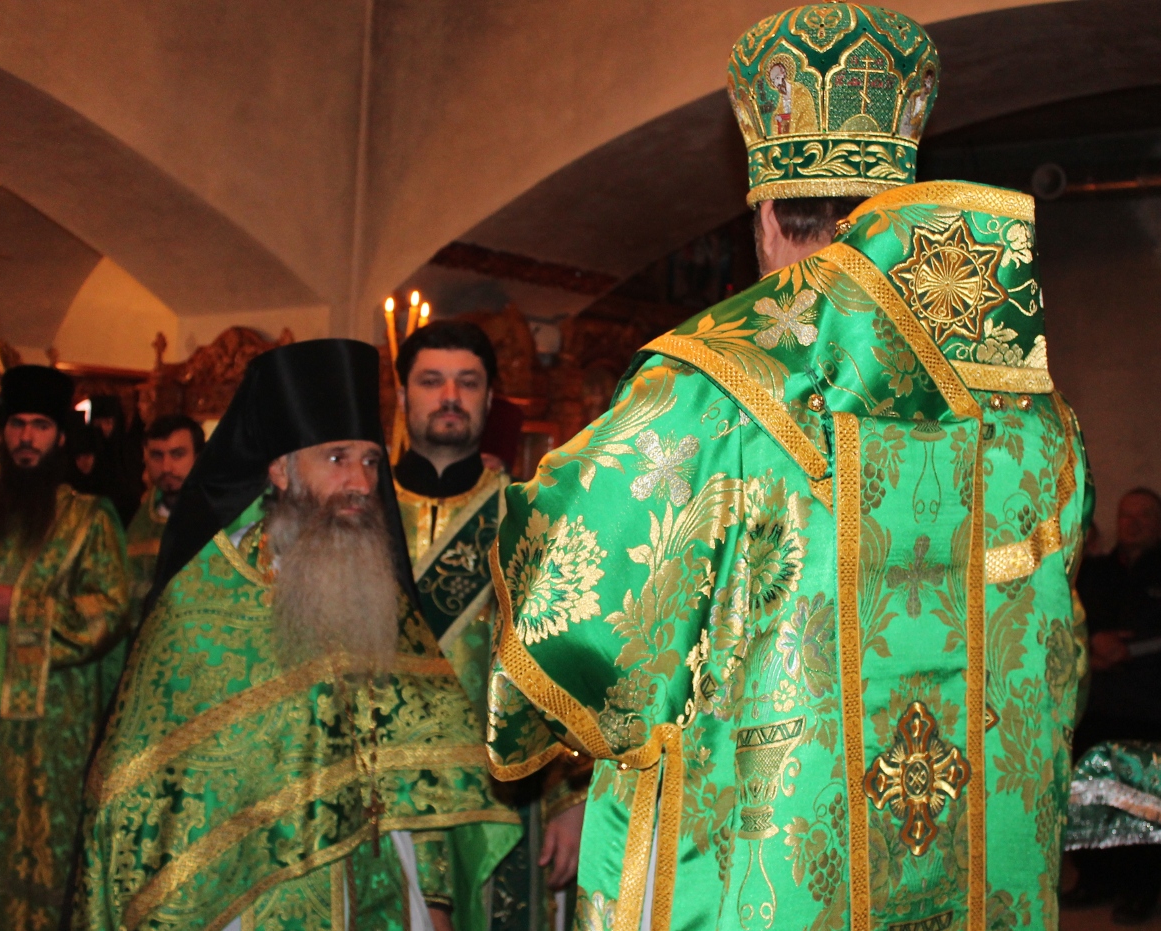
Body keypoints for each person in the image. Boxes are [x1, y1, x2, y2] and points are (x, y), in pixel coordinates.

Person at [486, 6, 1091, 930]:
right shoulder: (1036, 417)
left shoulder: (706, 389)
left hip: (751, 874)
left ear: (766, 218)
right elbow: (1059, 650)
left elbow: (566, 625)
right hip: (975, 867)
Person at [74, 339, 520, 931]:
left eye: (371, 461)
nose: (361, 482)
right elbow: (147, 800)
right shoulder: (201, 605)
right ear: (280, 469)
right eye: (336, 459)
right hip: (247, 902)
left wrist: (435, 899)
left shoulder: (375, 592)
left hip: (384, 891)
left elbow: (419, 768)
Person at [393, 321, 588, 930]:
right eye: (431, 381)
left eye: (468, 382)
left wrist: (572, 796)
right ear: (401, 395)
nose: (450, 396)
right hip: (388, 792)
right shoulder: (363, 513)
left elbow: (567, 657)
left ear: (489, 397)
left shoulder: (529, 516)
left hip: (504, 791)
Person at [0, 365, 130, 931]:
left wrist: (27, 608)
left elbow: (110, 611)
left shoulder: (90, 519)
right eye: (17, 424)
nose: (25, 438)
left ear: (59, 436)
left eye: (39, 426)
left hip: (51, 728)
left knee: (44, 851)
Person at [1065, 488, 1161, 922]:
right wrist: (1093, 644)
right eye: (1126, 515)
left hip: (1147, 708)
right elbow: (1070, 619)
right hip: (1097, 705)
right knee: (1091, 797)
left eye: (1144, 515)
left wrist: (1129, 650)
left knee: (1142, 804)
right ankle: (1096, 879)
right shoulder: (1096, 571)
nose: (1132, 522)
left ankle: (1142, 888)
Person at [125, 414, 205, 617]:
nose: (166, 467)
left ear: (198, 458)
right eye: (157, 456)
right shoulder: (139, 521)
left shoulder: (219, 518)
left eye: (177, 454)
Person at [87, 395, 145, 526]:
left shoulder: (128, 451)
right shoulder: (87, 451)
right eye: (98, 423)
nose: (103, 428)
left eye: (108, 422)